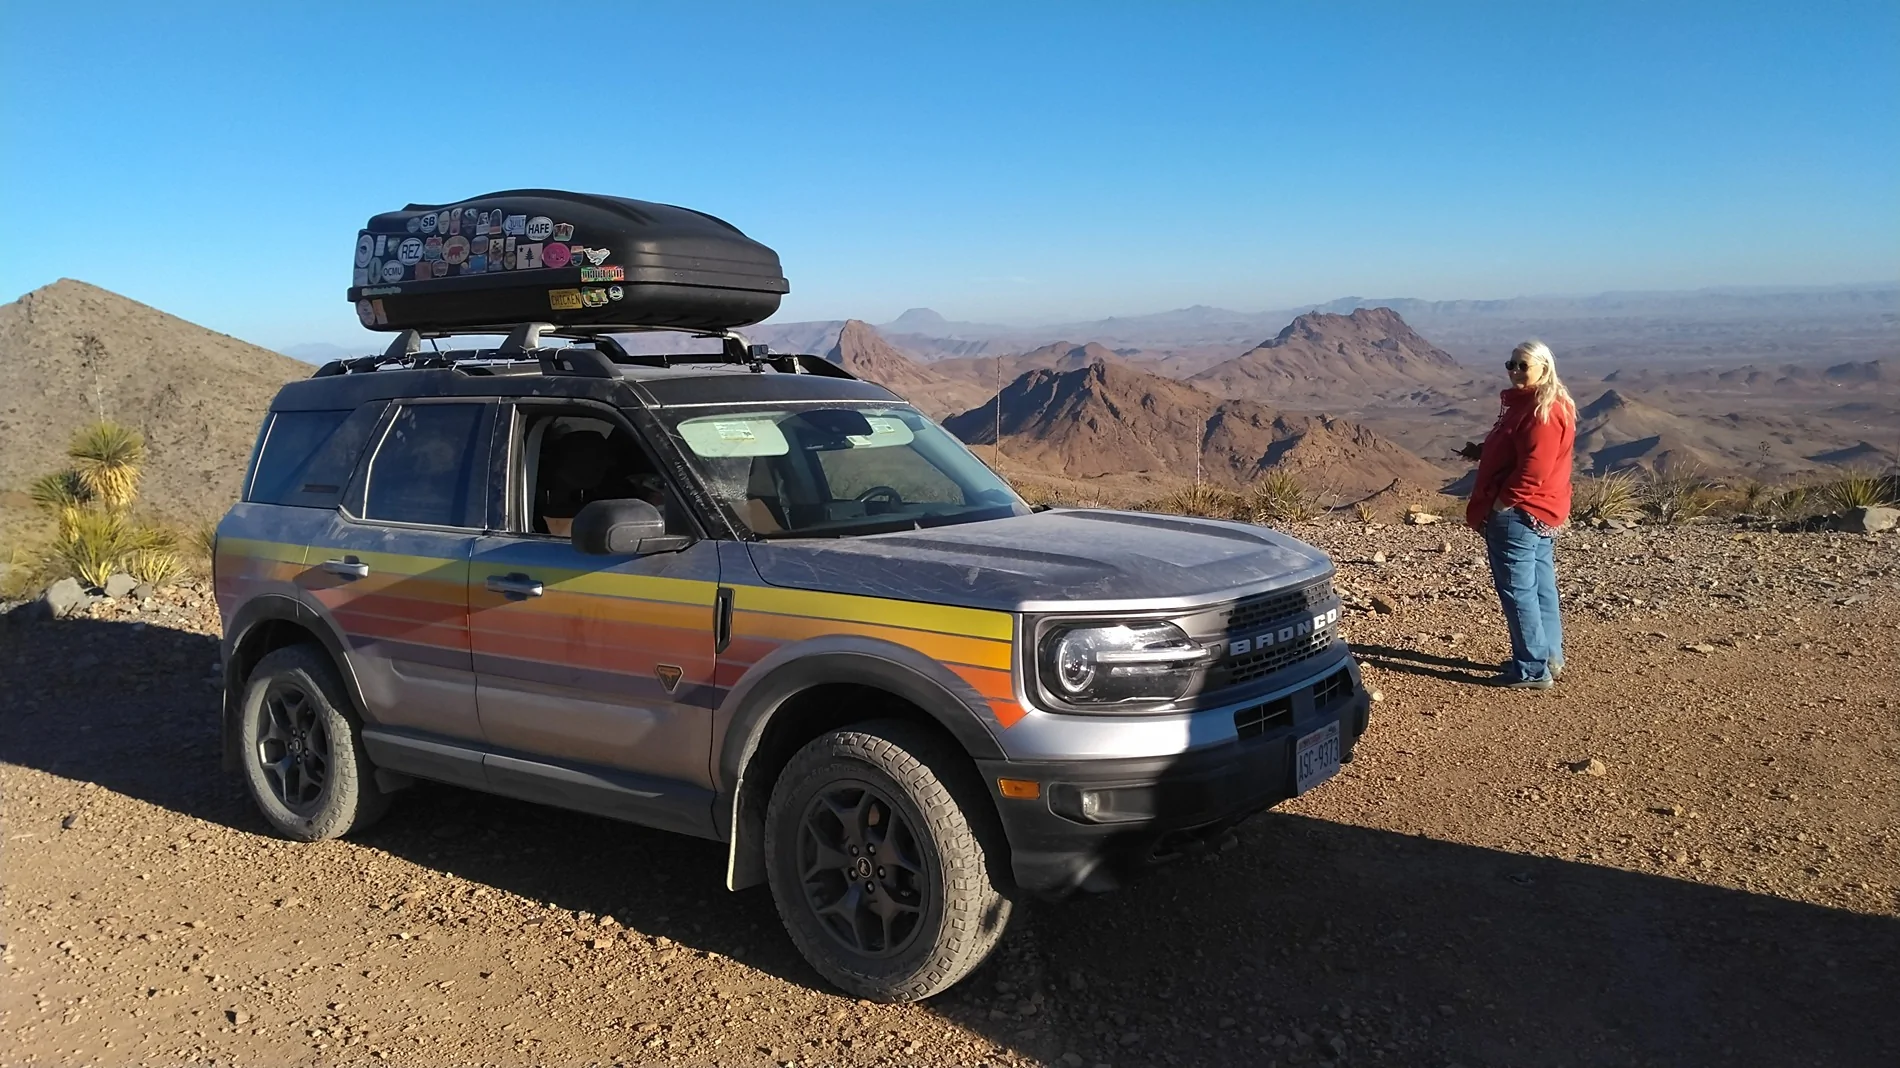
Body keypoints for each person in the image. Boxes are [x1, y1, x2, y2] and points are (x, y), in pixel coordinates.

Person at [1460, 340, 1577, 689]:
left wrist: (1502, 503)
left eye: (1523, 365)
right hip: (1542, 511)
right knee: (1540, 588)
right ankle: (1548, 656)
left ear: (1544, 367)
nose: (1514, 371)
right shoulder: (1542, 405)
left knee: (1518, 591)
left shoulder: (1541, 412)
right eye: (1510, 363)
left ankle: (1531, 668)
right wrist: (1486, 452)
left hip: (1520, 514)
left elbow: (1534, 470)